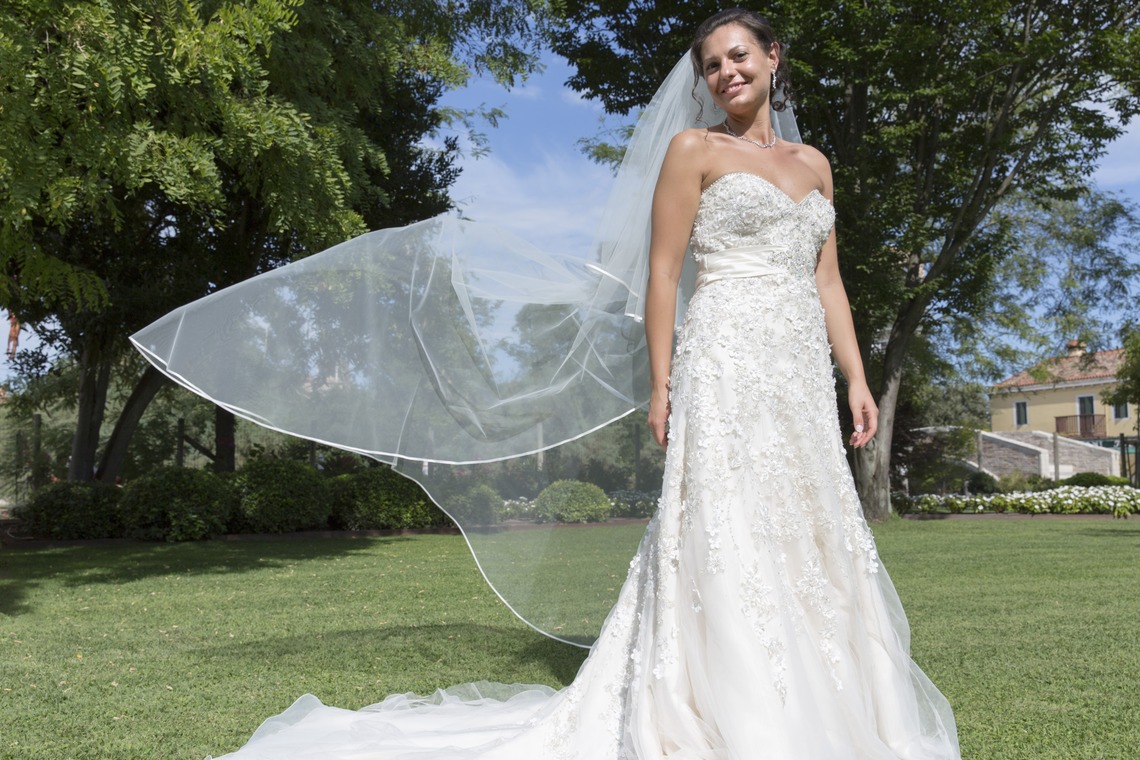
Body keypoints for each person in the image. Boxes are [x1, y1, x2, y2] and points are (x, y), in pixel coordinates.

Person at [139, 9, 960, 759]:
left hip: (794, 369)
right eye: (711, 64)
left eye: (739, 56)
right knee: (726, 523)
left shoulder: (815, 165)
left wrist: (853, 378)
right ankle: (729, 709)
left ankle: (832, 704)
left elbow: (829, 285)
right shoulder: (693, 152)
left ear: (774, 59)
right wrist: (664, 383)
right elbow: (666, 276)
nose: (725, 73)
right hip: (725, 358)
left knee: (809, 524)